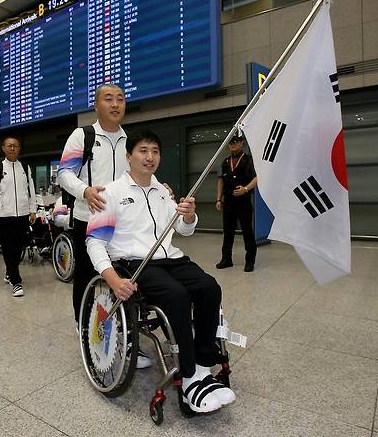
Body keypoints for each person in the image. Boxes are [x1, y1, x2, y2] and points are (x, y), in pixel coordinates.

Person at [86, 131, 236, 414]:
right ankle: (189, 377)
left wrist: (189, 216)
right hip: (136, 264)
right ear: (128, 156)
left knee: (209, 287)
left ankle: (204, 366)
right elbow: (94, 242)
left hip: (171, 259)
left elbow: (182, 230)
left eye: (155, 151)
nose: (150, 157)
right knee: (177, 297)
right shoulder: (111, 193)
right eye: (143, 150)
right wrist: (113, 279)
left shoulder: (162, 192)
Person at [58, 83, 151, 369]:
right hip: (89, 220)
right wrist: (85, 191)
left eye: (120, 99)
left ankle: (125, 337)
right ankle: (86, 328)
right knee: (87, 278)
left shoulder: (130, 141)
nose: (115, 104)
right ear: (96, 105)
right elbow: (63, 174)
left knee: (122, 279)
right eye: (108, 99)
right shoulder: (82, 136)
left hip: (123, 224)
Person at [0, 136, 36, 298]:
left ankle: (9, 272)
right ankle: (16, 281)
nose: (12, 148)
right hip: (4, 215)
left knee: (18, 247)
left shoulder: (26, 167)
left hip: (22, 215)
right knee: (8, 248)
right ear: (3, 148)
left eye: (15, 146)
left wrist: (33, 209)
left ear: (19, 148)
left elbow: (31, 190)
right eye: (9, 146)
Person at [215, 134, 258, 272]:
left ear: (242, 143)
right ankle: (226, 259)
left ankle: (250, 261)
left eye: (236, 142)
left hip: (243, 201)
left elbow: (257, 178)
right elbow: (220, 180)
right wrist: (218, 199)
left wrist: (245, 189)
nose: (233, 144)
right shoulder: (225, 162)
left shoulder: (249, 160)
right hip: (228, 202)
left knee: (247, 231)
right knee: (228, 231)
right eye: (230, 142)